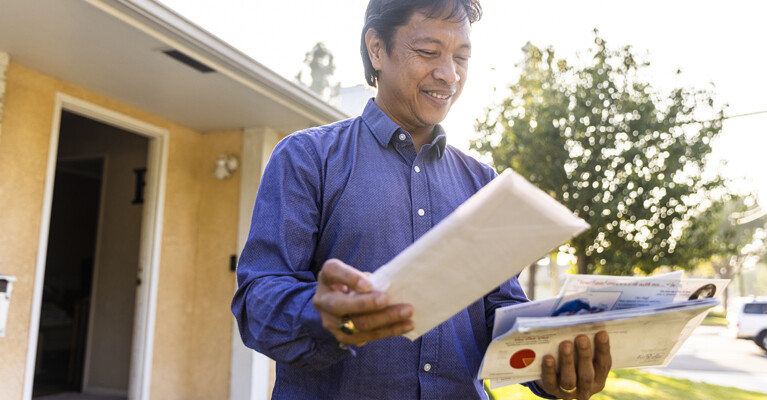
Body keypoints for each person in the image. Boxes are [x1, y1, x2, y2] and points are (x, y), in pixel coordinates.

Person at [231, 0, 612, 398]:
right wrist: (320, 312)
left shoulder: (483, 183)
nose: (449, 74)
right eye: (428, 52)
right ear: (377, 49)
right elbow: (257, 303)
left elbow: (500, 313)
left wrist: (558, 366)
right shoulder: (307, 158)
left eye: (461, 57)